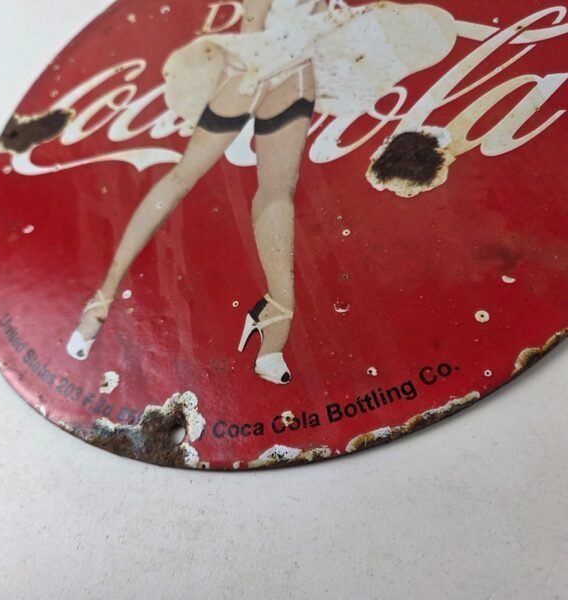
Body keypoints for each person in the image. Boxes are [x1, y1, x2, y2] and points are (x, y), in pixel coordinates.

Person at [67, 0, 458, 385]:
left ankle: (277, 317)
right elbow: (254, 19)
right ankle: (102, 299)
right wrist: (257, 64)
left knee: (277, 192)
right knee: (184, 175)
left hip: (299, 72)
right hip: (255, 67)